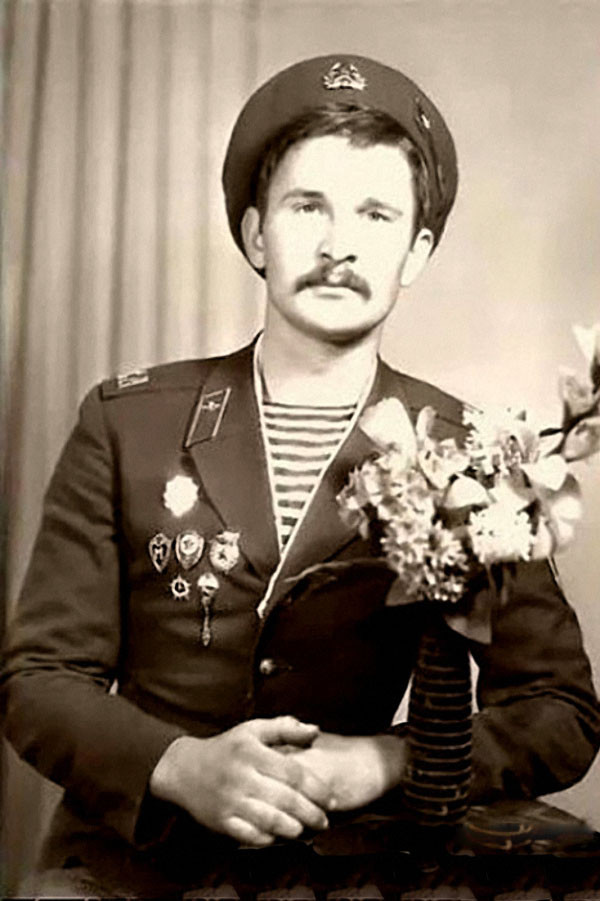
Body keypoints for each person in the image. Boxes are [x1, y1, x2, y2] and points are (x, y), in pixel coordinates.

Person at [2, 54, 599, 897]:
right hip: (130, 863)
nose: (337, 245)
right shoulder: (127, 421)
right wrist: (177, 764)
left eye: (376, 214)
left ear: (417, 251)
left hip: (348, 868)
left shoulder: (478, 453)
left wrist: (384, 759)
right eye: (306, 206)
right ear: (256, 234)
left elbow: (560, 712)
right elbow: (38, 679)